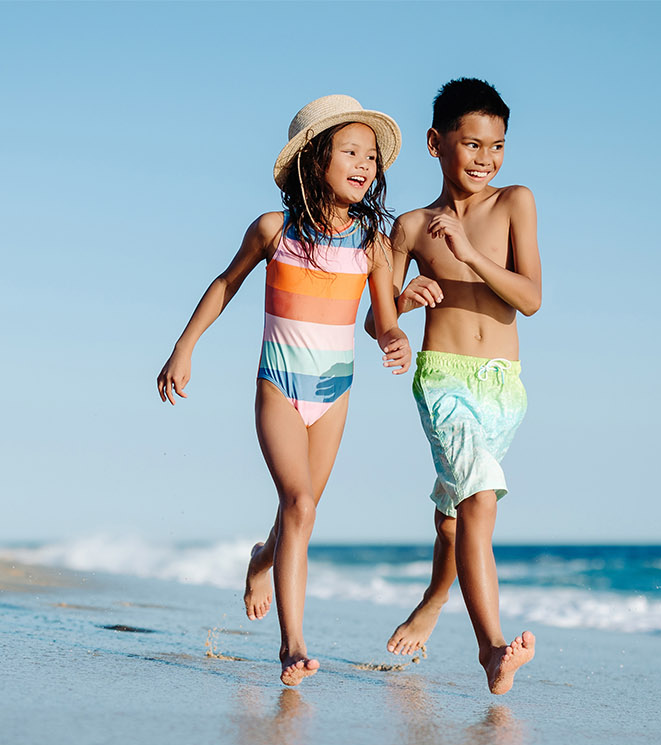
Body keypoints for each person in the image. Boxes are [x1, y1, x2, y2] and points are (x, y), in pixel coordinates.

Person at [158, 95, 412, 686]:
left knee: (302, 512)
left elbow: (383, 319)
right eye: (349, 151)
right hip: (278, 384)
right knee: (298, 505)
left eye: (371, 156)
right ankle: (292, 645)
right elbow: (226, 284)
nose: (364, 164)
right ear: (313, 158)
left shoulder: (372, 244)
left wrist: (396, 333)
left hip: (335, 391)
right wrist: (184, 346)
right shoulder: (275, 230)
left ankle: (260, 560)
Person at [367, 79, 542, 695]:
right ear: (436, 143)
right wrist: (400, 309)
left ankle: (434, 600)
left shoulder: (515, 202)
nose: (485, 159)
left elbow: (531, 298)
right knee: (480, 502)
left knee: (453, 518)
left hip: (505, 389)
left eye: (496, 146)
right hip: (443, 381)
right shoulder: (411, 227)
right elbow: (377, 313)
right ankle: (492, 649)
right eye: (471, 145)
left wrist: (470, 255)